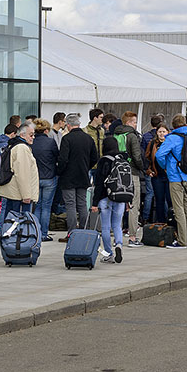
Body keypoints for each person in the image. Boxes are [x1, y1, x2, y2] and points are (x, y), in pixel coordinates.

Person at [154, 114, 187, 248]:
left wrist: (165, 166)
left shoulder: (172, 138)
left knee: (179, 210)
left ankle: (182, 241)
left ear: (173, 125)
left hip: (176, 177)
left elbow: (159, 154)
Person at [56, 113, 99, 241]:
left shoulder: (67, 139)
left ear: (68, 125)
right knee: (82, 204)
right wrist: (86, 167)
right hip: (83, 175)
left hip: (68, 177)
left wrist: (59, 171)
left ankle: (72, 233)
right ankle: (84, 232)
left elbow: (63, 159)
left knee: (70, 205)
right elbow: (94, 158)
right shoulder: (88, 138)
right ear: (79, 124)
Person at [0, 122, 39, 230]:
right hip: (19, 194)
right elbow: (22, 173)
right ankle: (16, 243)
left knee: (10, 220)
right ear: (22, 135)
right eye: (31, 134)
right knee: (19, 224)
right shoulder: (22, 148)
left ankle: (9, 240)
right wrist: (26, 195)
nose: (33, 137)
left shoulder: (15, 145)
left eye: (34, 135)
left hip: (14, 192)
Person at [91, 137, 126, 264]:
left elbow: (99, 184)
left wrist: (94, 203)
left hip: (105, 198)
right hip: (120, 197)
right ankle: (119, 245)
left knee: (105, 227)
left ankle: (109, 253)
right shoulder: (122, 159)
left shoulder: (103, 161)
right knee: (117, 225)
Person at [112, 111, 144, 246]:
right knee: (133, 205)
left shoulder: (114, 135)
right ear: (129, 122)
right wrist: (142, 167)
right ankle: (132, 237)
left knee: (119, 204)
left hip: (117, 173)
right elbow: (137, 156)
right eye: (135, 122)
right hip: (132, 172)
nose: (136, 124)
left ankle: (117, 238)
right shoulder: (132, 136)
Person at [31, 118, 59, 241]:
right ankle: (43, 233)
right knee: (46, 207)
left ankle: (36, 232)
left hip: (35, 177)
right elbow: (57, 157)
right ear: (46, 130)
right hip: (49, 176)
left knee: (37, 206)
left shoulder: (31, 143)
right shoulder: (51, 142)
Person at [145, 124, 170, 223]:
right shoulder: (152, 144)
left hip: (169, 176)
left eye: (164, 131)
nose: (161, 134)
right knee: (159, 200)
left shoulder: (170, 143)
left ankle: (170, 222)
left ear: (168, 132)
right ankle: (161, 222)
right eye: (160, 132)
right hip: (157, 175)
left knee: (169, 200)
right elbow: (147, 158)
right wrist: (148, 170)